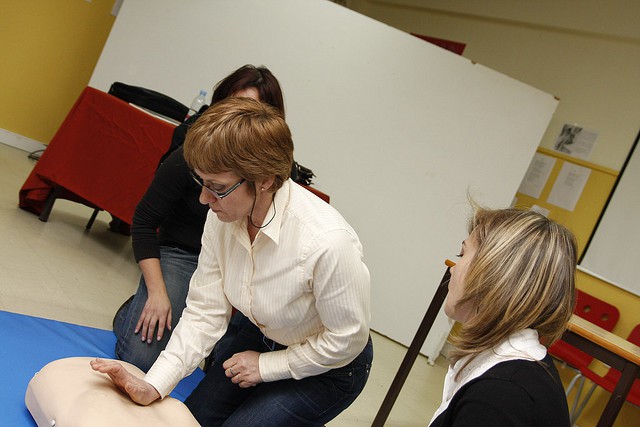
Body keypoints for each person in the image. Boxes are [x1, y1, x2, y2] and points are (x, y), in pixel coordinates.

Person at [93, 97, 373, 426]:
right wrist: (153, 384)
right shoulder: (223, 215)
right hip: (263, 338)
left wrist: (267, 367)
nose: (203, 199)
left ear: (266, 180)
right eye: (201, 183)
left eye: (217, 187)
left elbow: (346, 341)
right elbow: (204, 312)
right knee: (192, 420)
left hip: (331, 365)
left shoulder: (326, 242)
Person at [113, 65, 295, 373]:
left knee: (226, 363)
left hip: (240, 260)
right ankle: (131, 310)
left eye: (252, 111)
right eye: (232, 106)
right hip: (184, 255)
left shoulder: (269, 168)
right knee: (141, 361)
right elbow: (144, 221)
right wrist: (157, 293)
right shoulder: (194, 151)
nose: (239, 118)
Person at [429, 206, 576, 426]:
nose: (453, 268)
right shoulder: (502, 372)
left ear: (493, 274)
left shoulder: (499, 397)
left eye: (463, 254)